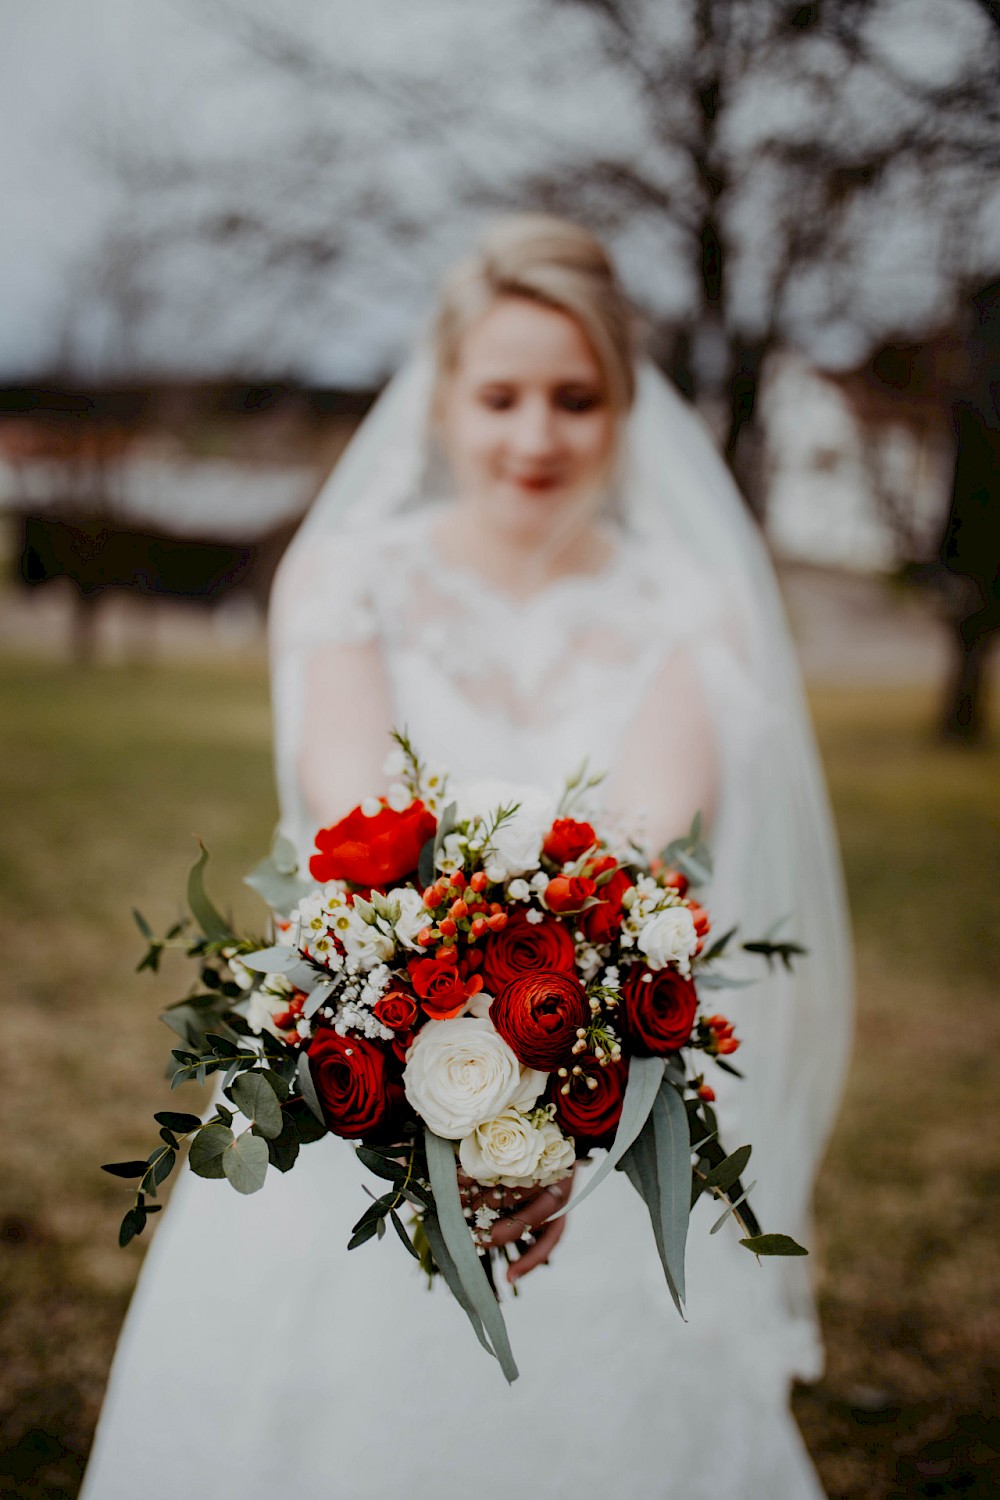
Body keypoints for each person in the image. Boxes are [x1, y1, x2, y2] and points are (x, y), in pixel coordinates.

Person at [81, 215, 852, 1498]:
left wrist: (552, 1121)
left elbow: (642, 854)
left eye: (574, 398)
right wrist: (438, 1083)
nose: (534, 436)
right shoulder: (346, 580)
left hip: (602, 1074)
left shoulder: (689, 610)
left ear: (625, 407)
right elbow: (355, 817)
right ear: (440, 400)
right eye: (499, 396)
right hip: (359, 1070)